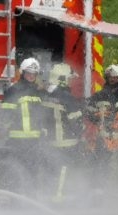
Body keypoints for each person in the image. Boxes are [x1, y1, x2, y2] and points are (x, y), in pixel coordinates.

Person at [0, 57, 48, 193]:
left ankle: (30, 198)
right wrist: (9, 128)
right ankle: (16, 197)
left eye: (34, 74)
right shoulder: (14, 90)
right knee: (17, 170)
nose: (31, 76)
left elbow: (43, 114)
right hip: (17, 140)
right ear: (22, 73)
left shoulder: (39, 92)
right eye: (28, 73)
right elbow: (5, 115)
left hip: (35, 141)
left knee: (33, 170)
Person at [86, 64, 118, 182]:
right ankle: (100, 191)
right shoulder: (99, 96)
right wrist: (98, 117)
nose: (112, 79)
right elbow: (89, 112)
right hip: (104, 139)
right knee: (101, 168)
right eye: (109, 76)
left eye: (115, 77)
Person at [42, 63, 85, 200]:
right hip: (66, 141)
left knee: (51, 168)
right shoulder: (67, 97)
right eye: (69, 79)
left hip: (49, 140)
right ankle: (58, 196)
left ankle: (48, 194)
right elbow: (76, 120)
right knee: (63, 168)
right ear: (62, 79)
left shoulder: (46, 95)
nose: (70, 82)